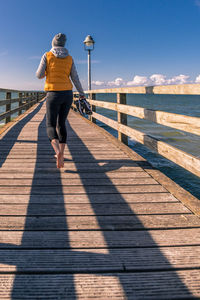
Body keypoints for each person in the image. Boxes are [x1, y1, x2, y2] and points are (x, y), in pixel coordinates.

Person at [36, 33, 85, 168]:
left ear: (53, 43)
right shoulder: (69, 58)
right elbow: (75, 78)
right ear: (64, 44)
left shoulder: (47, 55)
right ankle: (62, 152)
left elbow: (39, 75)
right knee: (61, 124)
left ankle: (57, 152)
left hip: (53, 94)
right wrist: (81, 93)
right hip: (67, 94)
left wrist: (48, 71)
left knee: (50, 125)